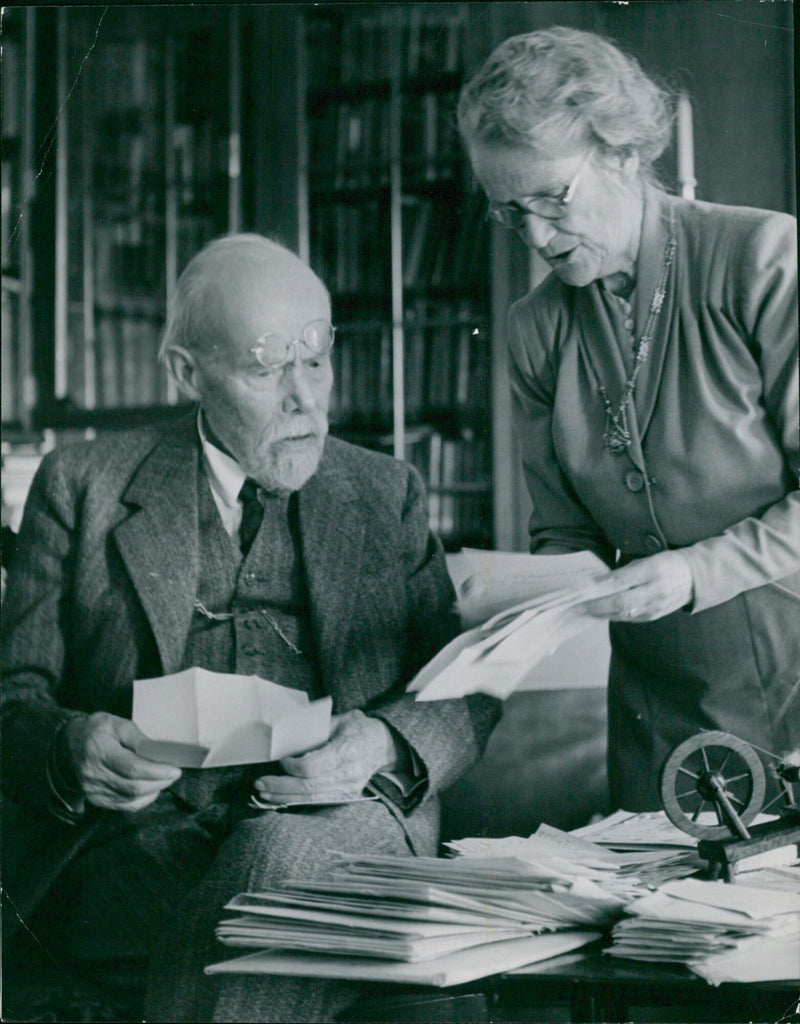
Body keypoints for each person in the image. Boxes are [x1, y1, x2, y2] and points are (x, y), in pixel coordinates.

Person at [1, 234, 501, 1022]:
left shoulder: (385, 491)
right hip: (136, 841)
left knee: (276, 859)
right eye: (268, 371)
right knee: (225, 909)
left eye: (318, 359)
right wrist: (70, 747)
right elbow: (12, 698)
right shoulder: (83, 485)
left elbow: (466, 692)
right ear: (186, 373)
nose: (307, 399)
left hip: (339, 818)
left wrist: (384, 742)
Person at [456, 27, 799, 811]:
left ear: (621, 153)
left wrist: (688, 572)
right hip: (657, 697)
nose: (536, 236)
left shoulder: (761, 262)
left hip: (793, 670)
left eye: (552, 198)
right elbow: (565, 534)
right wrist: (533, 598)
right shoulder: (536, 329)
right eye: (511, 213)